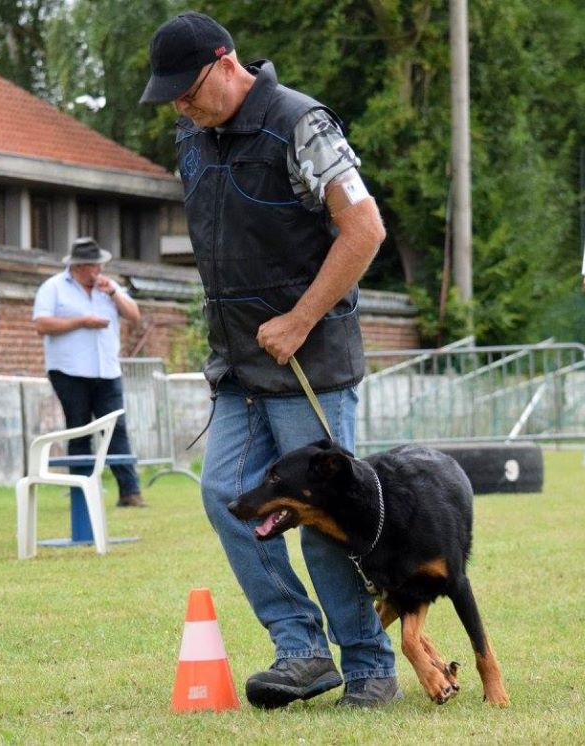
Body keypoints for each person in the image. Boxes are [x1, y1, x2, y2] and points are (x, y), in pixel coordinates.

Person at [141, 12, 398, 707]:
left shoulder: (300, 123)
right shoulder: (193, 137)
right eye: (172, 97)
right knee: (228, 498)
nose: (182, 107)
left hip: (309, 364)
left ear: (227, 64)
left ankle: (371, 665)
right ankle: (302, 649)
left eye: (189, 90)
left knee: (324, 519)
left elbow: (364, 229)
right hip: (239, 369)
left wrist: (301, 318)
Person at [32, 237, 145, 507]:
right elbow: (42, 324)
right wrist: (81, 321)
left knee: (116, 428)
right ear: (79, 266)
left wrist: (114, 294)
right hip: (69, 371)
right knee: (79, 429)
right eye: (94, 266)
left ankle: (130, 492)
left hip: (107, 370)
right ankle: (81, 492)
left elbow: (135, 315)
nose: (99, 271)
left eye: (100, 266)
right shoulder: (54, 288)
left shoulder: (109, 287)